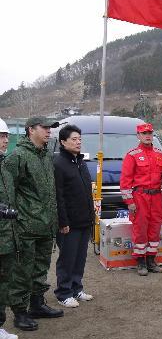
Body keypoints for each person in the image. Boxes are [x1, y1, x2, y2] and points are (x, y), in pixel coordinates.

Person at [4, 116, 63, 332]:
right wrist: (18, 219)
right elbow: (8, 192)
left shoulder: (46, 155)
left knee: (41, 267)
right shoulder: (17, 156)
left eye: (50, 128)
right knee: (22, 271)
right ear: (31, 130)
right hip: (26, 227)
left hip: (46, 225)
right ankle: (20, 312)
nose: (49, 131)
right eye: (44, 128)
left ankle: (37, 304)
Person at [53, 125, 95, 307]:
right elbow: (58, 195)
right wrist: (63, 221)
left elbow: (87, 192)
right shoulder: (58, 163)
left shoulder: (80, 161)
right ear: (63, 142)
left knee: (80, 257)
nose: (78, 142)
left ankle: (77, 288)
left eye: (79, 139)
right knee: (67, 258)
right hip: (68, 222)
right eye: (74, 139)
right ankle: (63, 292)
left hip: (84, 219)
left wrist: (91, 216)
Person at [120, 122, 162, 276]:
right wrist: (130, 202)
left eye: (149, 133)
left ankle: (151, 261)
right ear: (138, 136)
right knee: (140, 229)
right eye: (144, 133)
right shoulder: (132, 155)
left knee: (155, 228)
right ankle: (140, 262)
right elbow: (125, 181)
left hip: (156, 196)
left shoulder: (160, 154)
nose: (147, 136)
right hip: (140, 196)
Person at [0, 119, 18, 339]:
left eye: (5, 136)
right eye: (1, 136)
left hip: (5, 234)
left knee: (3, 281)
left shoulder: (5, 163)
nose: (5, 140)